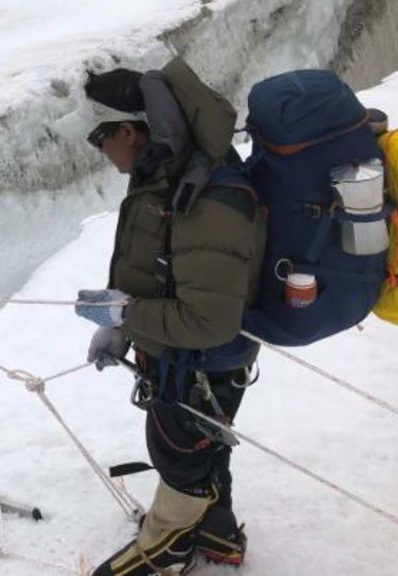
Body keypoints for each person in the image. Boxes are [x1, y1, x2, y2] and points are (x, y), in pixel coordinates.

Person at [73, 64, 265, 575]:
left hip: (199, 362)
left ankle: (167, 550)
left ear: (129, 131)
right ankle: (217, 534)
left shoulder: (203, 194)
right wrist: (124, 326)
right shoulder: (168, 177)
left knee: (180, 454)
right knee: (202, 448)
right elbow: (159, 271)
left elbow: (208, 320)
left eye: (100, 137)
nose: (99, 149)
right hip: (185, 358)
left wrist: (125, 314)